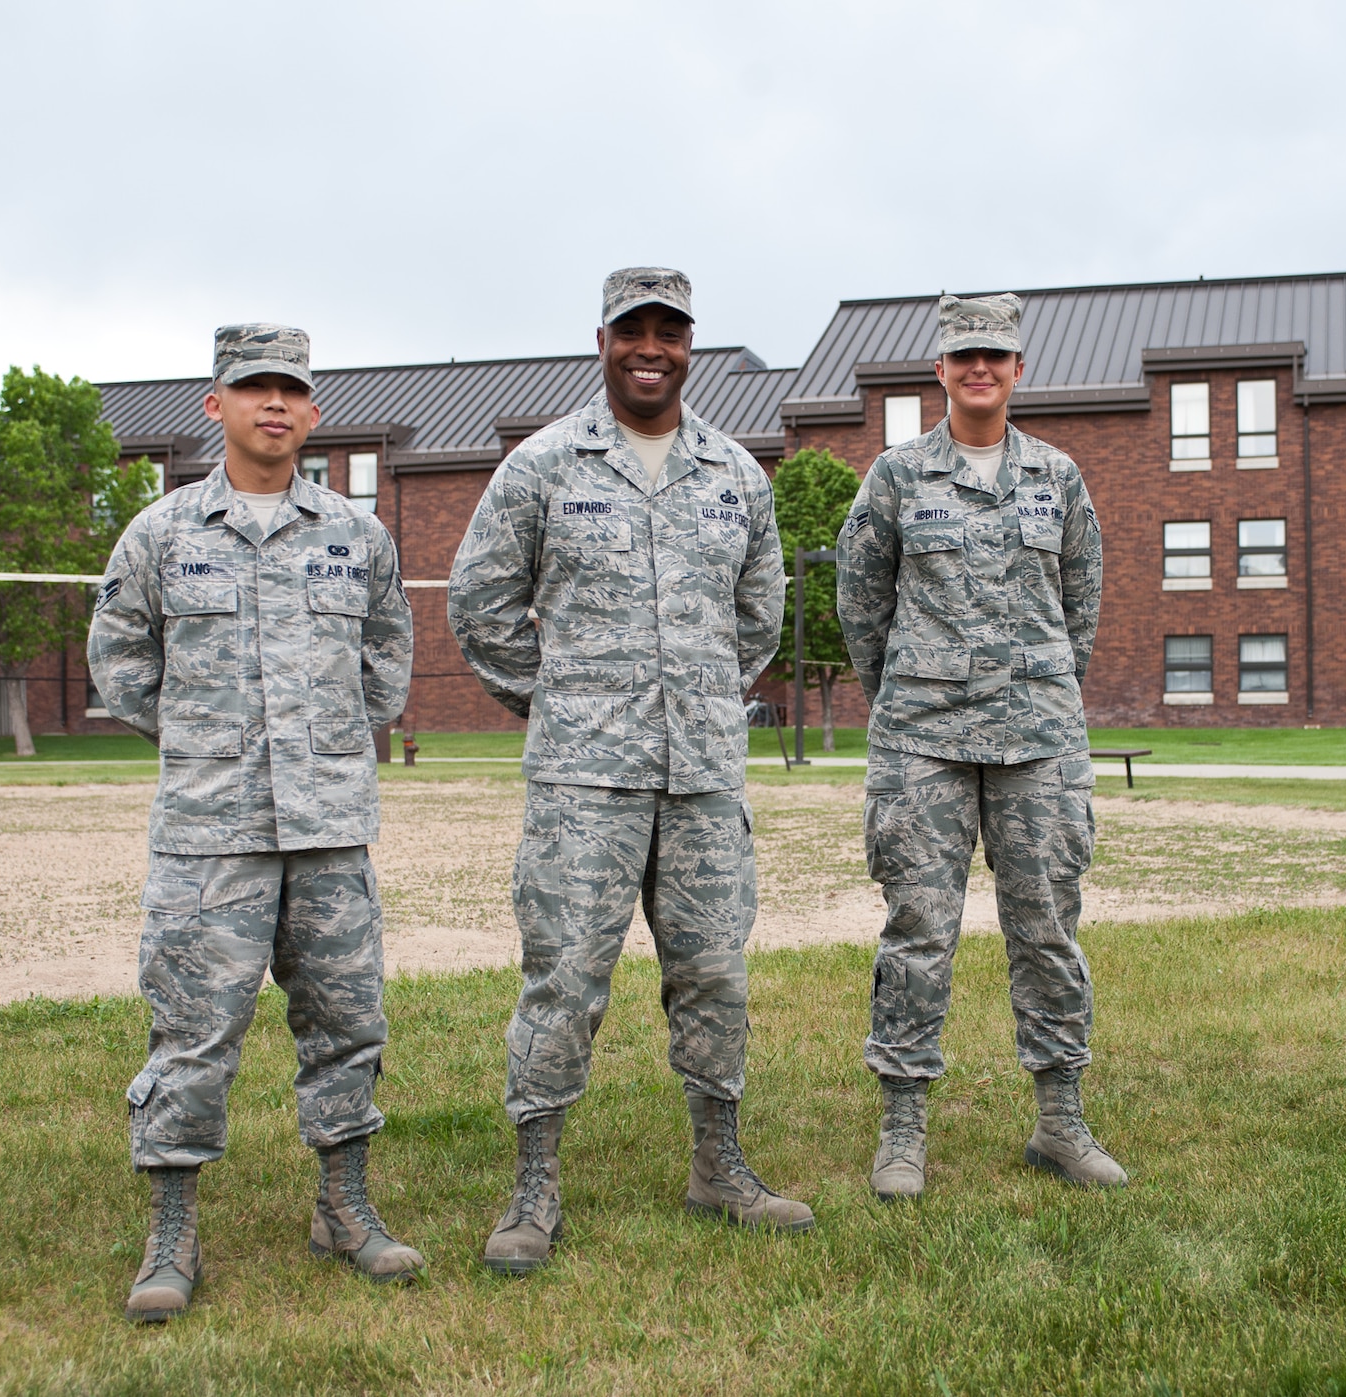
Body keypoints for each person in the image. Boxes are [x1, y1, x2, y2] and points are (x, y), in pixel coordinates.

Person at [448, 267, 807, 1274]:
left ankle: (718, 1166)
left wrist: (691, 698)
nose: (650, 347)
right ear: (601, 339)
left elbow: (758, 618)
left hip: (699, 778)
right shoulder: (543, 466)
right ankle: (534, 1188)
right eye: (631, 330)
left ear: (688, 344)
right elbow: (477, 603)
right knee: (562, 980)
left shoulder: (735, 473)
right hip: (582, 783)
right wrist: (560, 700)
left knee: (714, 975)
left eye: (668, 331)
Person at [88, 324, 419, 1322]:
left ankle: (345, 1206)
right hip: (210, 832)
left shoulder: (357, 537)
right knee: (193, 1031)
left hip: (328, 829)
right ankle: (172, 1232)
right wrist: (204, 739)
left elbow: (388, 663)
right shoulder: (161, 533)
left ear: (312, 412)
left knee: (347, 1022)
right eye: (251, 387)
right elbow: (119, 659)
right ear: (215, 405)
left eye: (289, 389)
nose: (272, 404)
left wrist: (322, 746)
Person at [836, 292, 1125, 1199]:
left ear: (1018, 368)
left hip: (1038, 737)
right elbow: (861, 604)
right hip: (923, 738)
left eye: (995, 355)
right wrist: (911, 693)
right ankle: (903, 1128)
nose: (980, 369)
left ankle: (1059, 1120)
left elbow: (1082, 604)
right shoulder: (896, 475)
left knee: (1046, 928)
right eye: (964, 355)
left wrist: (1040, 687)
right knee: (918, 928)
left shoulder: (1058, 476)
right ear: (940, 368)